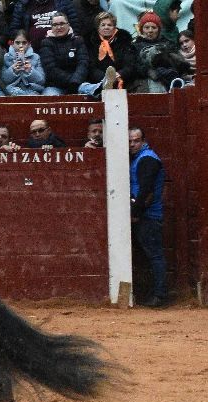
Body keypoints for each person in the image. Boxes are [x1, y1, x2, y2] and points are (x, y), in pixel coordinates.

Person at [129, 127, 168, 307]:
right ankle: (156, 293)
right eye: (129, 141)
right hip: (146, 214)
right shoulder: (141, 158)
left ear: (143, 141)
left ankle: (160, 295)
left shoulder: (147, 159)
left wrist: (135, 213)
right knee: (152, 255)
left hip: (148, 215)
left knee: (154, 255)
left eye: (136, 141)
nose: (132, 144)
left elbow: (146, 191)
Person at [80, 11, 138, 94]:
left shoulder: (124, 41)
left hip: (122, 80)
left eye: (109, 25)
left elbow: (130, 64)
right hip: (97, 81)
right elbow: (91, 67)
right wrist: (106, 78)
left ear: (114, 27)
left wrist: (119, 74)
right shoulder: (90, 43)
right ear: (98, 28)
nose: (106, 27)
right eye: (103, 25)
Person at [131, 11, 189, 93]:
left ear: (158, 30)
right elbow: (134, 66)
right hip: (145, 83)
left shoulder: (168, 44)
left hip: (169, 79)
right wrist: (149, 71)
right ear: (142, 29)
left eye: (154, 27)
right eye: (146, 27)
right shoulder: (135, 46)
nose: (150, 31)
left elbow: (181, 64)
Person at [38, 11, 88, 94]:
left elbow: (83, 63)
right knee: (49, 96)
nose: (59, 27)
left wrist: (76, 80)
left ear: (68, 25)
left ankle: (103, 84)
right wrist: (71, 81)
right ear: (51, 27)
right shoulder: (46, 43)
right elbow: (50, 69)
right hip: (55, 86)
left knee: (91, 89)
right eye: (55, 25)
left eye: (62, 23)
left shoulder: (78, 40)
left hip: (78, 83)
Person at [8, 0, 79, 51]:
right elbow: (14, 30)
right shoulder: (22, 4)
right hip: (31, 51)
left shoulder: (64, 2)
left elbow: (75, 26)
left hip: (60, 49)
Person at [1, 28, 45, 95]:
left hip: (32, 89)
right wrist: (13, 70)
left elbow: (41, 81)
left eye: (24, 43)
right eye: (17, 43)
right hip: (12, 89)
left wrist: (30, 71)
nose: (21, 45)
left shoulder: (35, 57)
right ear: (12, 43)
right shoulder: (6, 57)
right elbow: (4, 80)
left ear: (29, 44)